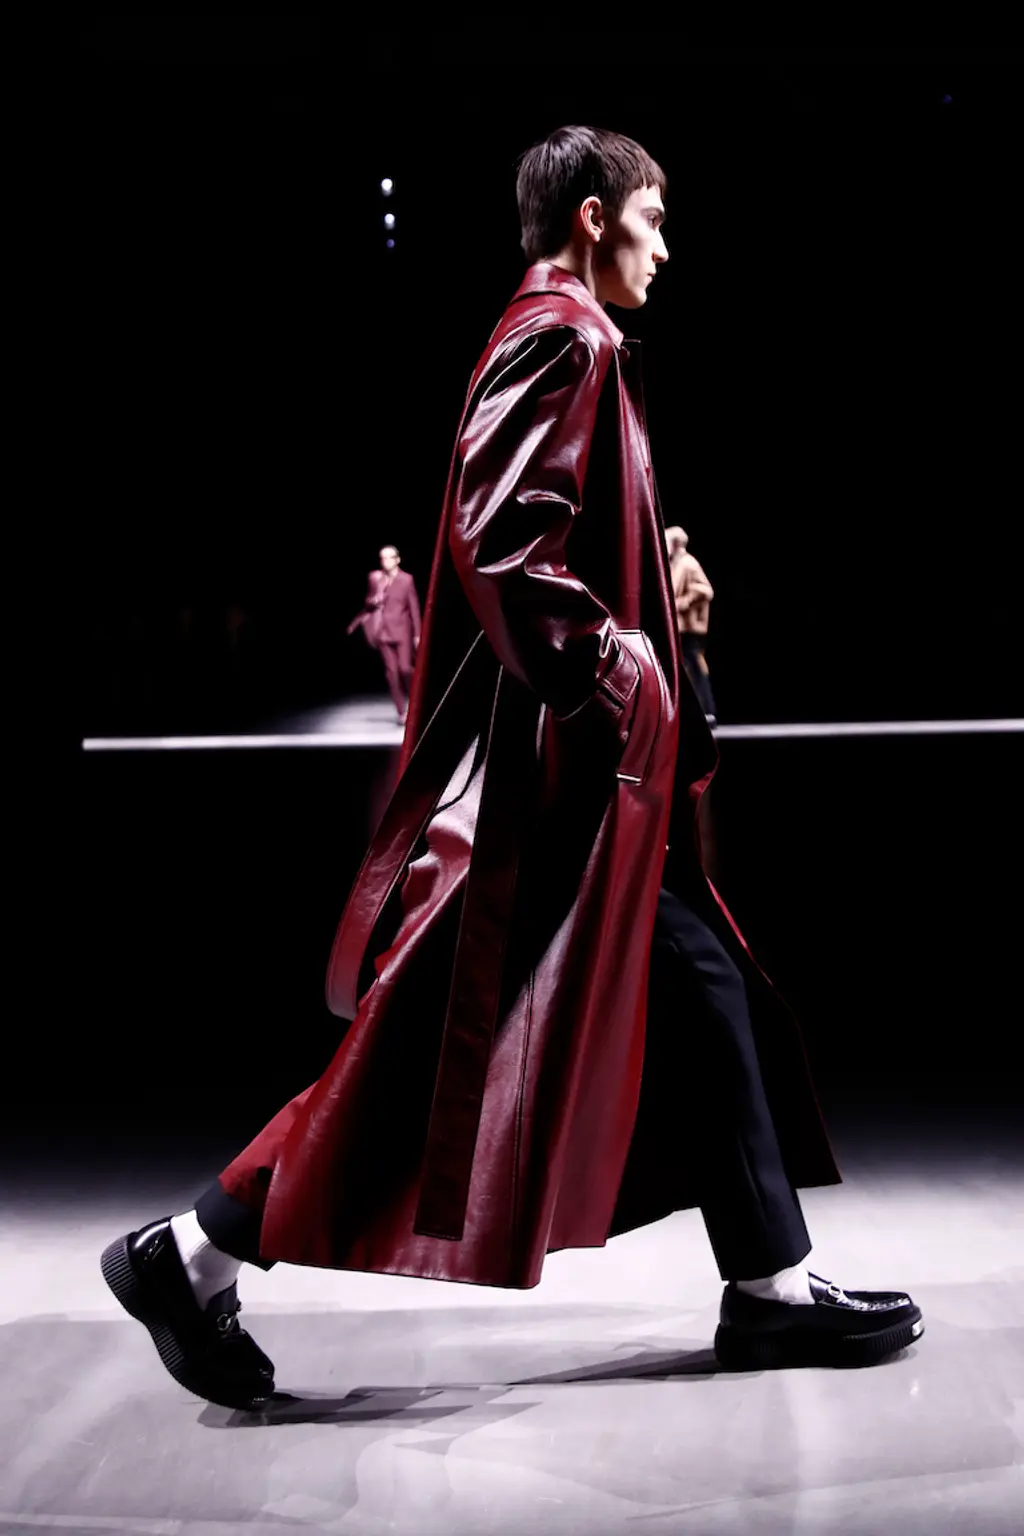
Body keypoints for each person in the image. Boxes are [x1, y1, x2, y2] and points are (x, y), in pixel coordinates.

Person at [102, 126, 922, 1410]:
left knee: (698, 991)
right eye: (654, 217)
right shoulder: (562, 336)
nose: (667, 245)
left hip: (583, 781)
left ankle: (769, 1285)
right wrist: (618, 670)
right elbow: (500, 544)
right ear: (594, 216)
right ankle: (191, 1251)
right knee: (428, 1055)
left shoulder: (563, 336)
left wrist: (635, 652)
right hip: (561, 788)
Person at [346, 545, 421, 721]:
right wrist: (374, 600)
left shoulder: (406, 579)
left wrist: (417, 634)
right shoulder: (375, 578)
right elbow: (368, 602)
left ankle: (415, 702)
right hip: (382, 630)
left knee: (405, 668)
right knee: (391, 672)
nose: (385, 561)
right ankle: (401, 712)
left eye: (389, 557)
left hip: (402, 629)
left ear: (397, 560)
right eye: (382, 558)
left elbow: (414, 607)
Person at [665, 524, 717, 724]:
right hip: (683, 628)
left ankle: (707, 711)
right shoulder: (678, 563)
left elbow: (706, 590)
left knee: (695, 668)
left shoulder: (688, 563)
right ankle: (698, 712)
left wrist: (683, 602)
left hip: (691, 628)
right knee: (687, 669)